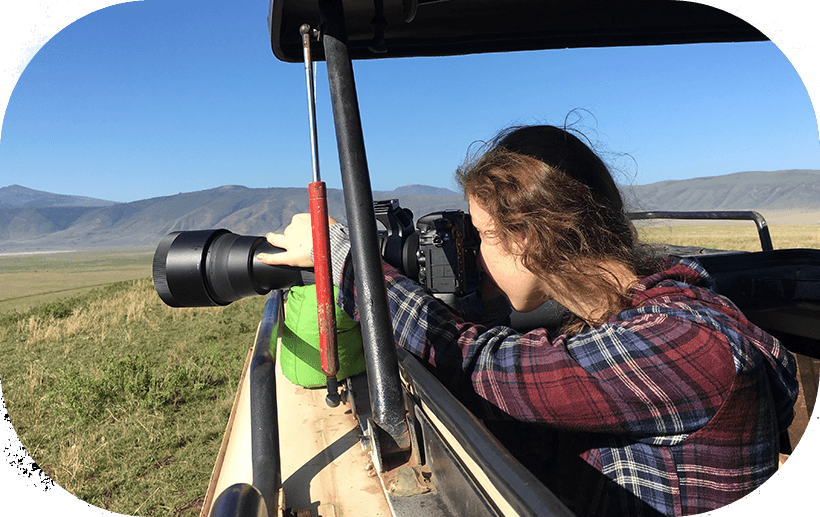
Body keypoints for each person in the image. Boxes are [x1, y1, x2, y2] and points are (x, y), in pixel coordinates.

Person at [257, 125, 798, 516]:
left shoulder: (683, 341)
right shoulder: (653, 311)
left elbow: (482, 366)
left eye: (481, 236)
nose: (476, 256)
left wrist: (343, 256)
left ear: (527, 238)